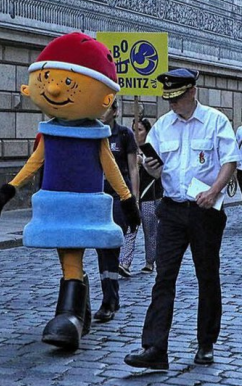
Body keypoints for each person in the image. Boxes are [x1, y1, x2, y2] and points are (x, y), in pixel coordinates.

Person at [0, 32, 140, 351]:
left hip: (86, 205)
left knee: (74, 253)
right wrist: (9, 188)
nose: (55, 89)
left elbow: (111, 167)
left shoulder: (97, 135)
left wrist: (128, 199)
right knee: (68, 255)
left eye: (68, 83)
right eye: (47, 79)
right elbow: (34, 162)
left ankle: (70, 313)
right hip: (56, 205)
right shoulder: (50, 133)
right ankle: (78, 311)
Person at [125, 68, 240, 369]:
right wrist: (151, 168)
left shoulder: (215, 121)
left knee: (207, 276)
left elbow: (230, 160)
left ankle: (206, 344)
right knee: (164, 277)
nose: (173, 103)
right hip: (172, 209)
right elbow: (156, 167)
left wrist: (214, 192)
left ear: (192, 92)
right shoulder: (163, 126)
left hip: (205, 211)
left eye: (177, 97)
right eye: (169, 99)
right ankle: (154, 348)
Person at [97, 99, 139, 324]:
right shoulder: (94, 133)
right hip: (96, 198)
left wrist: (134, 199)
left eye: (106, 108)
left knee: (110, 247)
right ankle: (109, 296)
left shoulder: (124, 134)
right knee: (101, 249)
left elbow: (133, 168)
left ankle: (109, 300)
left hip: (118, 198)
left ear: (115, 111)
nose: (101, 112)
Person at [121, 118, 160, 274]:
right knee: (130, 228)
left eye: (140, 130)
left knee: (150, 230)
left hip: (149, 195)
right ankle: (125, 263)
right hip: (132, 195)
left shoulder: (151, 148)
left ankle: (150, 261)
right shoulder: (129, 148)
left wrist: (142, 161)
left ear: (147, 132)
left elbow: (158, 172)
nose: (136, 134)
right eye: (134, 130)